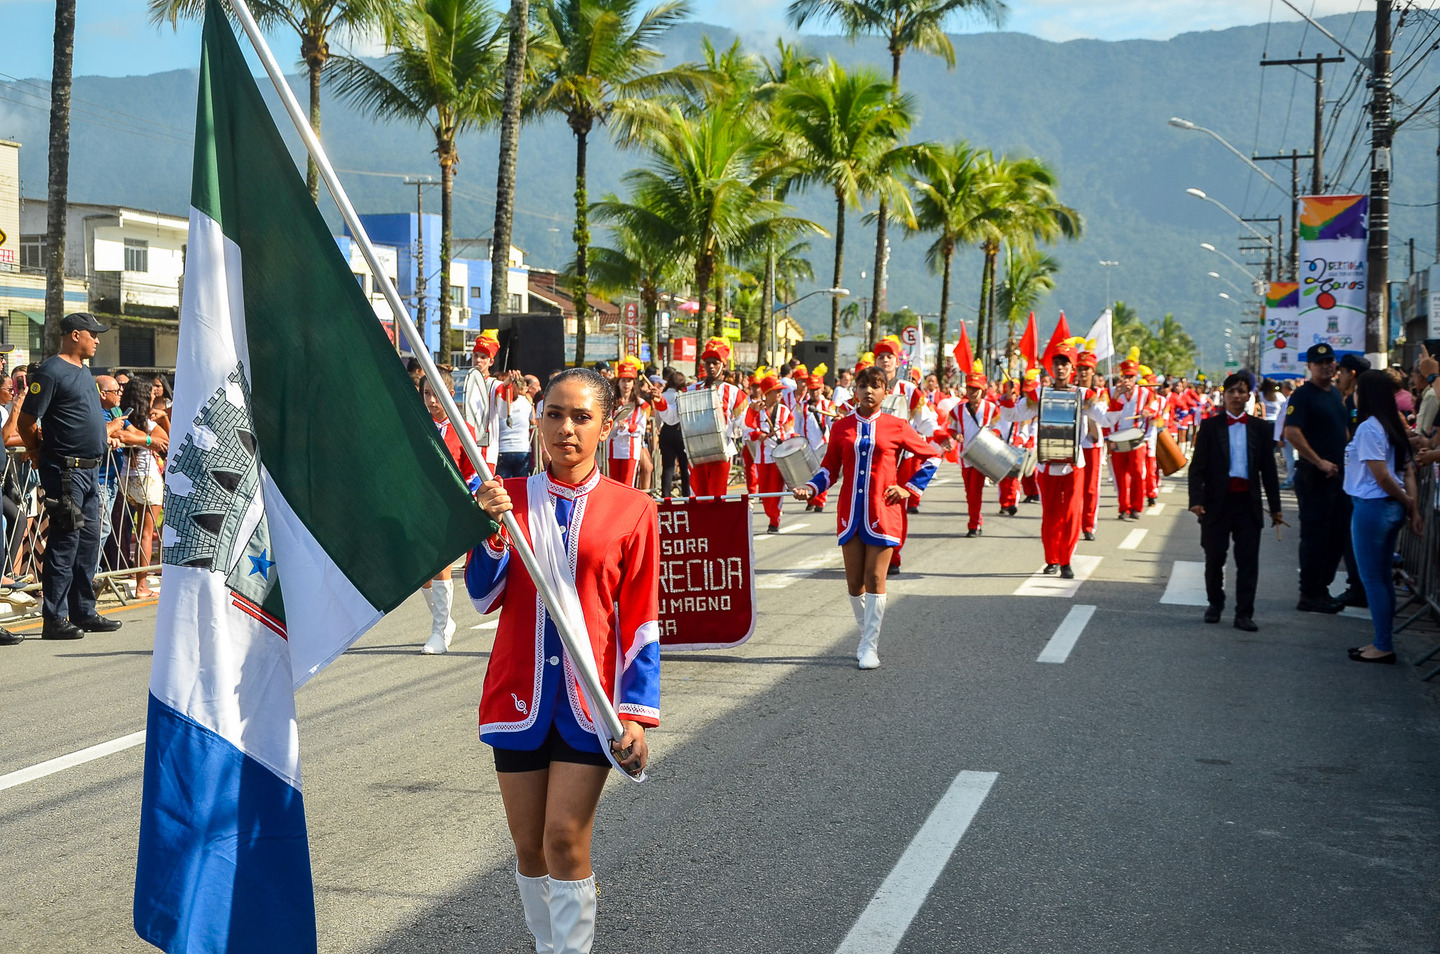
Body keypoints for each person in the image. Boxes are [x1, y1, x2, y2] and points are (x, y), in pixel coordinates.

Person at [466, 367, 659, 954]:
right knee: (528, 847)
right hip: (517, 696)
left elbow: (641, 618)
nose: (565, 429)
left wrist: (636, 713)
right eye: (554, 414)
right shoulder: (506, 496)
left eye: (581, 417)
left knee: (565, 840)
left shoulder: (633, 509)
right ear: (538, 419)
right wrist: (489, 528)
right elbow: (482, 594)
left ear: (606, 426)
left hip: (590, 701)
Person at [793, 366, 938, 669]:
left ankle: (870, 645)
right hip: (850, 512)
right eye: (863, 385)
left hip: (884, 512)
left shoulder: (897, 426)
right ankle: (865, 637)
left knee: (875, 577)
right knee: (854, 582)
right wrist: (810, 487)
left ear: (886, 392)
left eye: (876, 385)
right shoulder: (841, 427)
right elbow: (829, 469)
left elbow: (932, 455)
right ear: (855, 390)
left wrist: (909, 487)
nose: (868, 390)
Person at [15, 312, 122, 639]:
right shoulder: (50, 371)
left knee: (88, 544)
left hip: (91, 470)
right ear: (75, 335)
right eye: (93, 334)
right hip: (65, 471)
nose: (97, 340)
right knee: (65, 542)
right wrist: (35, 451)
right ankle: (55, 618)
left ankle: (83, 611)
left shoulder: (84, 372)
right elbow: (26, 421)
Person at [1187, 372, 1283, 632]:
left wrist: (1275, 507)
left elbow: (1268, 471)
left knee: (1248, 561)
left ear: (1249, 396)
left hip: (1247, 504)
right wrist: (1196, 500)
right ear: (1224, 395)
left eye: (1241, 392)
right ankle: (1215, 604)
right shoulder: (1210, 427)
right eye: (1232, 392)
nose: (1236, 396)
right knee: (1214, 557)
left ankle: (1244, 613)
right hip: (1216, 503)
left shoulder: (1261, 429)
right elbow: (1197, 468)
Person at [1345, 369, 1423, 663]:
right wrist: (1410, 506)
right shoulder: (1391, 424)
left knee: (1373, 579)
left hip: (1373, 507)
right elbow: (1407, 471)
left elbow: (1382, 476)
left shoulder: (1369, 428)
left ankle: (1383, 644)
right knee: (1383, 579)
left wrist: (1405, 501)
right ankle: (1382, 639)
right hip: (1389, 508)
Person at [1283, 344, 1352, 614]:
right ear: (1310, 366)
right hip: (1315, 476)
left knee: (1336, 536)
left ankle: (1322, 589)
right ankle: (1309, 593)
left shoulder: (1335, 393)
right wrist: (1318, 460)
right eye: (1319, 362)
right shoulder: (1303, 395)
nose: (1326, 366)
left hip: (1339, 477)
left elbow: (1341, 431)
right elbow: (1291, 432)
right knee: (1315, 537)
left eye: (1330, 361)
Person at [421, 368, 482, 655]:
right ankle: (445, 623)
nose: (432, 401)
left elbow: (474, 472)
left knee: (441, 562)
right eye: (427, 394)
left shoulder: (462, 430)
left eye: (437, 394)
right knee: (423, 572)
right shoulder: (417, 424)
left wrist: (465, 499)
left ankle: (440, 630)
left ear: (451, 394)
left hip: (449, 508)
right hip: (421, 504)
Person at [683, 338, 747, 497]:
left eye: (715, 362)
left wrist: (752, 412)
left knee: (718, 497)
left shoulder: (734, 392)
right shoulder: (690, 390)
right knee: (698, 497)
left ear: (723, 365)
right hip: (696, 452)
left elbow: (744, 423)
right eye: (708, 362)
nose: (711, 366)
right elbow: (672, 417)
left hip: (721, 451)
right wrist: (660, 401)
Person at [948, 371, 1000, 537]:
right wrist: (955, 435)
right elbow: (951, 427)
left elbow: (1001, 427)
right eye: (970, 388)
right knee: (969, 492)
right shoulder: (958, 409)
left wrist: (994, 434)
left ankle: (974, 525)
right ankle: (977, 520)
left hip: (982, 455)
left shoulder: (992, 408)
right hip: (965, 457)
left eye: (976, 389)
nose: (972, 392)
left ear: (983, 390)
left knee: (976, 491)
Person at [745, 374, 795, 533]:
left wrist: (790, 440)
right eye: (777, 391)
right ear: (767, 393)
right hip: (762, 456)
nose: (780, 394)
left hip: (779, 456)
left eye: (781, 391)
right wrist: (756, 435)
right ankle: (771, 513)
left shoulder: (784, 410)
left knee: (776, 490)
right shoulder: (756, 409)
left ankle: (774, 520)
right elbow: (747, 427)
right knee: (765, 493)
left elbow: (790, 430)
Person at [1106, 358, 1156, 520]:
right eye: (1125, 376)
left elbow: (1154, 406)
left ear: (1135, 377)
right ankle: (1123, 508)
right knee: (1120, 476)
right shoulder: (1112, 392)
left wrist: (1148, 410)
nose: (1128, 380)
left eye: (1131, 377)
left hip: (1136, 439)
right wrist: (1116, 396)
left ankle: (1136, 507)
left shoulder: (1145, 393)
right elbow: (1107, 415)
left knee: (1137, 473)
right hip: (1117, 439)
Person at [462, 330, 507, 472]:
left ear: (491, 361)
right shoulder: (463, 381)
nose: (478, 360)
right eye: (476, 356)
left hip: (485, 449)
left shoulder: (495, 385)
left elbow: (503, 412)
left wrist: (507, 387)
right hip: (463, 444)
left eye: (483, 357)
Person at [1074, 350, 1107, 540]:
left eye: (1087, 369)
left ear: (1093, 371)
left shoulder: (1102, 394)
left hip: (1092, 445)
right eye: (1080, 369)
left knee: (1091, 488)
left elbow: (1103, 417)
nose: (1083, 372)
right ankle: (1074, 522)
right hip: (1075, 443)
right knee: (1074, 488)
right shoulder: (1071, 391)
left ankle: (1088, 526)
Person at [496, 368, 534, 479]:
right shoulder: (526, 401)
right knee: (521, 485)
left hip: (503, 449)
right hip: (522, 449)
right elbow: (533, 420)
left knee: (504, 486)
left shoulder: (499, 401)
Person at [656, 369, 689, 497]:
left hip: (666, 431)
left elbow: (658, 416)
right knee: (684, 467)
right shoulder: (682, 395)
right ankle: (687, 497)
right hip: (681, 430)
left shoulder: (663, 395)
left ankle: (666, 497)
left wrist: (659, 428)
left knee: (668, 467)